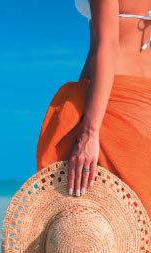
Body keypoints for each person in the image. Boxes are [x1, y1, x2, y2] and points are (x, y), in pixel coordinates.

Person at [36, 0, 151, 219]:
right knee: (139, 233)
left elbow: (107, 45)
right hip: (145, 108)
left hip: (115, 104)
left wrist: (89, 132)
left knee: (99, 232)